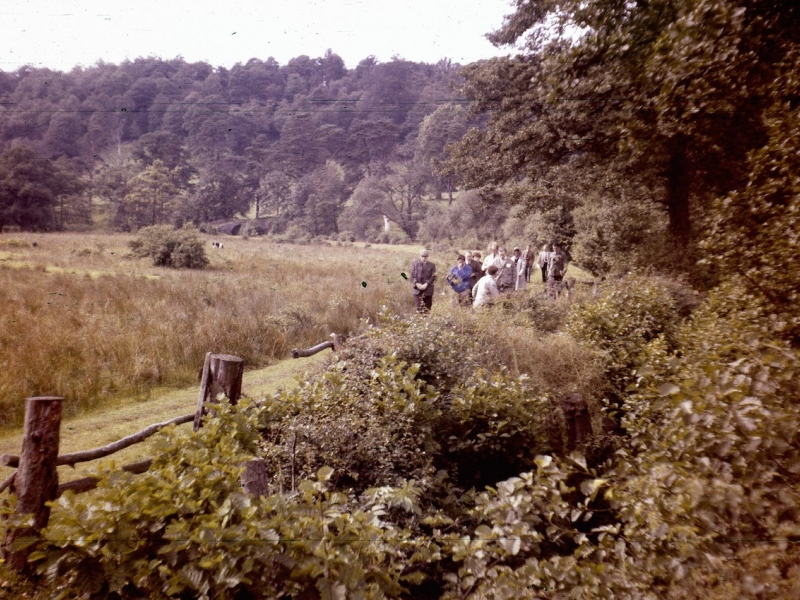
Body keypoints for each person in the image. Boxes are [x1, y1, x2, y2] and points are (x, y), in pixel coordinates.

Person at [411, 248, 436, 313]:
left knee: (427, 309)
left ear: (427, 257)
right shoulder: (414, 264)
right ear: (420, 256)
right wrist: (416, 283)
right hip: (417, 290)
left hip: (428, 290)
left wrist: (426, 284)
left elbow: (433, 276)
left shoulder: (432, 265)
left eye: (425, 257)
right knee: (419, 309)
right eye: (422, 256)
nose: (424, 258)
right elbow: (412, 275)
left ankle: (427, 322)